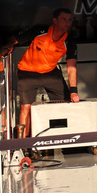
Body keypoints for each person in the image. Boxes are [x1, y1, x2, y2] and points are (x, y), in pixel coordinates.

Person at [15, 8, 79, 139]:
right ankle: (22, 144)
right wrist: (9, 45)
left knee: (65, 103)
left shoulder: (70, 41)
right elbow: (16, 39)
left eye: (70, 20)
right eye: (64, 19)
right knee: (26, 107)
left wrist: (74, 90)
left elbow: (71, 66)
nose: (67, 23)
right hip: (27, 72)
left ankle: (65, 138)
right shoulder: (39, 31)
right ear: (55, 21)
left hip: (50, 72)